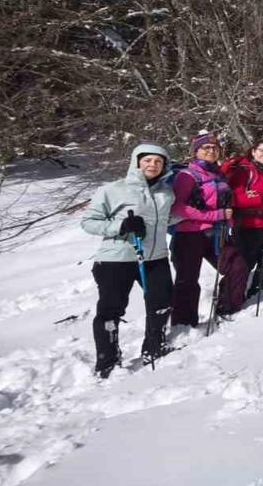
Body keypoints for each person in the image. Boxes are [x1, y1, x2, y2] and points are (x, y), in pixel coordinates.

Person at [81, 144, 177, 378]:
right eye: (147, 160)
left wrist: (202, 209)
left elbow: (167, 219)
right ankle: (108, 360)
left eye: (158, 161)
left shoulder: (166, 192)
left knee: (161, 301)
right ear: (137, 162)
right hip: (117, 259)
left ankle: (154, 347)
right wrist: (121, 226)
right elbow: (89, 221)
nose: (152, 165)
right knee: (110, 309)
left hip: (155, 257)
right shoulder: (113, 190)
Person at [169, 131, 238, 326]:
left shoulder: (218, 174)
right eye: (206, 147)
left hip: (217, 233)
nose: (211, 150)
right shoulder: (186, 175)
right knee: (188, 280)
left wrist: (227, 220)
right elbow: (178, 207)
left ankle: (226, 307)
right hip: (189, 235)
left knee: (237, 266)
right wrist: (214, 216)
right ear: (195, 151)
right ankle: (183, 324)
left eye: (215, 147)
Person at [223, 139, 263, 309]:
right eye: (262, 151)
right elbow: (232, 198)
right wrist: (260, 197)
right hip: (248, 224)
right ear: (253, 151)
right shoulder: (242, 171)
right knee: (244, 263)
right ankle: (230, 301)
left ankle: (259, 289)